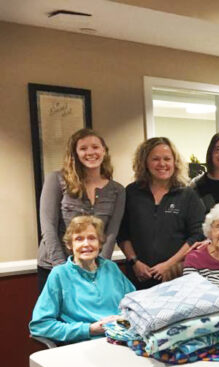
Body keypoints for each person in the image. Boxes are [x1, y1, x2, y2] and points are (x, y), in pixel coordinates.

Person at [36, 128, 125, 292]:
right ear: (75, 153)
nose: (90, 152)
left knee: (93, 316)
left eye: (95, 147)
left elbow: (111, 234)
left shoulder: (117, 190)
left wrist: (98, 268)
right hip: (54, 268)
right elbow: (48, 227)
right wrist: (63, 269)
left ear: (104, 151)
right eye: (83, 148)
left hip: (93, 269)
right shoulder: (56, 180)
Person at [30, 216, 134, 343]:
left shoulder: (111, 268)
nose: (86, 244)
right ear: (70, 245)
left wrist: (122, 319)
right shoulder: (59, 275)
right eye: (79, 239)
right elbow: (40, 325)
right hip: (85, 345)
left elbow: (136, 305)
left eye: (92, 238)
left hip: (124, 339)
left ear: (100, 243)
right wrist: (90, 329)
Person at [118, 137, 205, 289]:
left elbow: (197, 236)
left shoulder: (187, 195)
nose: (162, 164)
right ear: (145, 162)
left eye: (167, 159)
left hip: (176, 277)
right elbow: (123, 233)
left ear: (175, 162)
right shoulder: (132, 192)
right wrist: (134, 262)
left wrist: (168, 265)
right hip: (138, 276)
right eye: (155, 159)